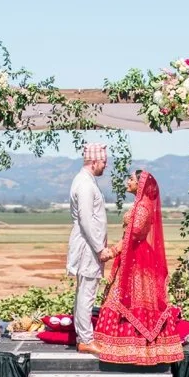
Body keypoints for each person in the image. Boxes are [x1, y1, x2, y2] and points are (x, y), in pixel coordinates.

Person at [92, 169, 186, 366]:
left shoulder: (142, 207)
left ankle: (134, 347)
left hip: (137, 259)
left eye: (131, 179)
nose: (128, 181)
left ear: (141, 185)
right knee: (123, 298)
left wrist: (113, 251)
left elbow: (132, 236)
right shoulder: (141, 205)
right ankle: (123, 344)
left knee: (127, 298)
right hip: (134, 256)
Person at [67, 142, 116, 355]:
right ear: (94, 161)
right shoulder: (85, 185)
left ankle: (84, 336)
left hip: (89, 244)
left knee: (85, 291)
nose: (105, 166)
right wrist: (99, 248)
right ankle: (86, 338)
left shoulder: (85, 181)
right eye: (103, 162)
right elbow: (87, 220)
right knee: (87, 292)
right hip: (88, 245)